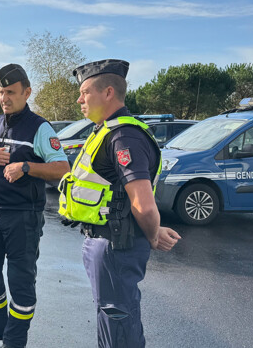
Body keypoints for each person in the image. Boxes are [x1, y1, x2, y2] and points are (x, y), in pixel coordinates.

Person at [58, 59, 181, 347]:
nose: (79, 99)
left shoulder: (124, 137)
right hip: (104, 242)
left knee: (118, 321)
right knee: (111, 316)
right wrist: (154, 230)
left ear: (108, 92)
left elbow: (143, 203)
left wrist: (152, 234)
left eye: (85, 92)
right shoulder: (106, 131)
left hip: (115, 246)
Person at [0, 64, 70, 348]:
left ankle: (14, 340)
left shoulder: (40, 127)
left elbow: (62, 168)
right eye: (1, 92)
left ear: (27, 92)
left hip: (23, 216)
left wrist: (26, 167)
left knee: (20, 280)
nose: (4, 98)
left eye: (10, 92)